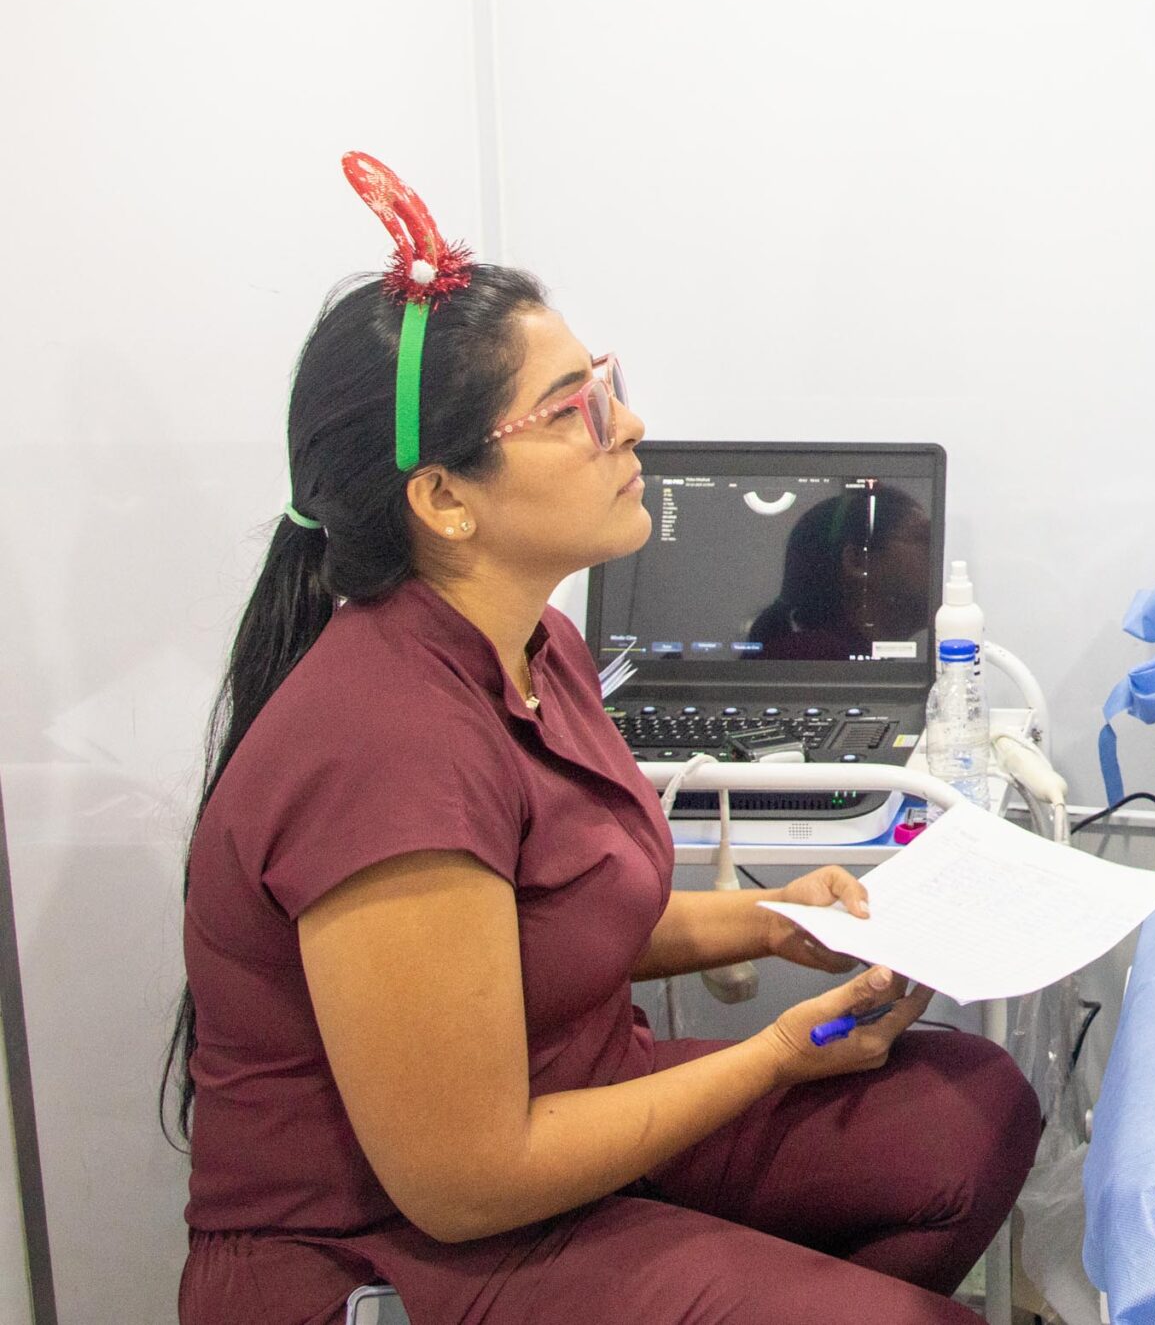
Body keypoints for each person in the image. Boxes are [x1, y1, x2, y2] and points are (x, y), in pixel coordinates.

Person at [169, 156, 1039, 1325]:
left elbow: (552, 928)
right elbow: (464, 1182)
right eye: (574, 407)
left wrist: (785, 918)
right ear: (444, 500)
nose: (628, 423)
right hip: (388, 1242)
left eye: (606, 381)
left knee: (970, 1114)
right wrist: (774, 1055)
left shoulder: (537, 649)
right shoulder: (383, 752)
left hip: (565, 1119)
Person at [749, 485, 937, 660]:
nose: (940, 552)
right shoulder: (810, 661)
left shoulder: (836, 660)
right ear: (858, 561)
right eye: (925, 538)